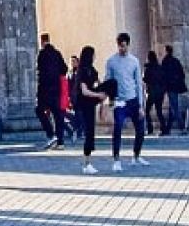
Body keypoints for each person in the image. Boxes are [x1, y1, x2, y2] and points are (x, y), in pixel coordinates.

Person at [104, 33, 147, 171]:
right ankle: (116, 159)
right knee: (117, 129)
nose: (122, 48)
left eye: (124, 46)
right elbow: (108, 82)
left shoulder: (134, 61)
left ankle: (136, 155)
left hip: (133, 100)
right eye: (120, 46)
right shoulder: (111, 61)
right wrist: (110, 101)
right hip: (119, 101)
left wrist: (141, 105)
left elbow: (138, 83)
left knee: (140, 129)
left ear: (128, 45)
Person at [70, 47, 104, 172]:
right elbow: (84, 91)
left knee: (91, 132)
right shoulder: (82, 71)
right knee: (88, 132)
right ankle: (86, 163)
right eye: (93, 54)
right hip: (84, 104)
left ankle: (88, 161)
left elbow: (98, 83)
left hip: (90, 104)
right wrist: (98, 95)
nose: (95, 57)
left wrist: (102, 91)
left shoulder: (92, 70)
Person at [36, 33, 68, 147]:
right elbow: (64, 69)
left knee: (39, 111)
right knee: (58, 115)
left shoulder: (42, 54)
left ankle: (51, 134)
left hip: (45, 90)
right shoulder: (57, 53)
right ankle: (61, 142)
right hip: (57, 89)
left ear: (42, 42)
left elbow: (41, 72)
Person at [159, 44, 188, 134]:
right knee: (172, 107)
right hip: (175, 87)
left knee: (174, 107)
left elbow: (163, 75)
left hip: (170, 87)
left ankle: (182, 127)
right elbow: (182, 74)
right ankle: (168, 128)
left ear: (166, 51)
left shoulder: (165, 61)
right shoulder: (176, 61)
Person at [142, 51, 166, 136]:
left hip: (151, 91)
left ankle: (150, 128)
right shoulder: (159, 67)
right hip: (159, 92)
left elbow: (145, 79)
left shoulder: (148, 68)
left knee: (147, 111)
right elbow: (163, 79)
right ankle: (163, 128)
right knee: (159, 111)